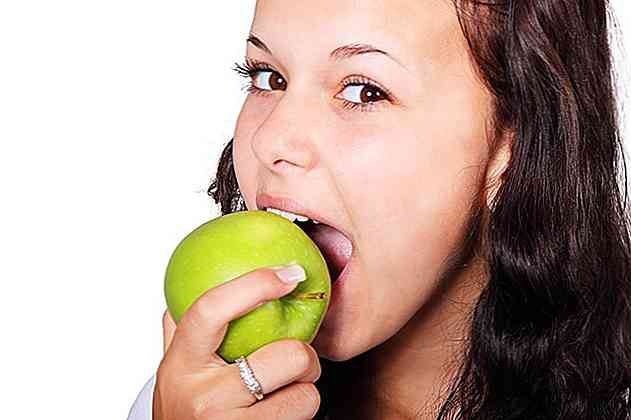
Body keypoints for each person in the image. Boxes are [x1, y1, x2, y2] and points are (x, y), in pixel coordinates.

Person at [127, 0, 631, 419]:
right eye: (269, 77)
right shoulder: (197, 404)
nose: (270, 141)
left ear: (513, 148)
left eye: (363, 91)